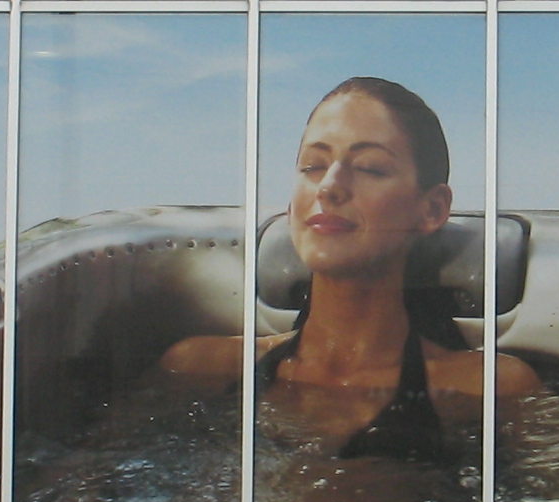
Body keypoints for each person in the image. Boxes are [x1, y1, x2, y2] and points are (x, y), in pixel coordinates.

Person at [163, 78, 537, 475]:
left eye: (370, 168)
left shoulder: (491, 388)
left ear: (431, 209)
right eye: (313, 166)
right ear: (291, 206)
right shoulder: (197, 366)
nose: (328, 187)